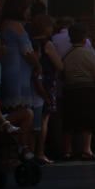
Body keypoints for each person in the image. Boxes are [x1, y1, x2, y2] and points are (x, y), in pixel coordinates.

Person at [0, 0, 37, 157]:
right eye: (27, 8)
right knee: (23, 112)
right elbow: (27, 51)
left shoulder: (3, 25)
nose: (28, 12)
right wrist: (38, 65)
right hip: (18, 75)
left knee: (12, 109)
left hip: (7, 72)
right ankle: (22, 147)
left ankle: (12, 147)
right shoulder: (17, 26)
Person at [62, 23, 95, 160]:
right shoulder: (89, 53)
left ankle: (67, 150)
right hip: (87, 89)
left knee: (69, 120)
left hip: (70, 89)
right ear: (84, 38)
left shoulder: (66, 54)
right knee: (87, 120)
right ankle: (86, 149)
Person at [31, 14, 63, 164]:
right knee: (44, 119)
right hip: (47, 82)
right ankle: (40, 152)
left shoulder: (30, 41)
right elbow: (59, 65)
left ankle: (29, 150)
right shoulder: (47, 44)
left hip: (32, 81)